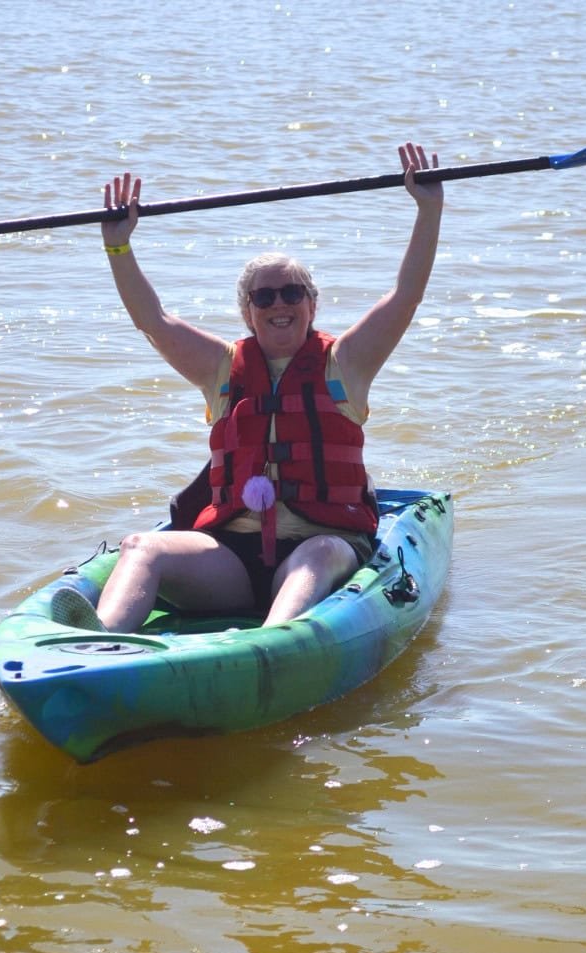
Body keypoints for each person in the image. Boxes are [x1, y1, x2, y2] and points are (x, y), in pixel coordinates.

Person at [71, 142, 443, 633]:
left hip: (323, 547)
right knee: (143, 546)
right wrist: (118, 245)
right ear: (246, 311)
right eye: (263, 296)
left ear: (312, 305)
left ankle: (272, 647)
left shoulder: (346, 362)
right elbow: (153, 320)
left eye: (292, 293)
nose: (278, 304)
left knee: (317, 552)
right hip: (231, 557)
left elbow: (405, 297)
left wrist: (428, 210)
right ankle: (97, 649)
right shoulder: (221, 368)